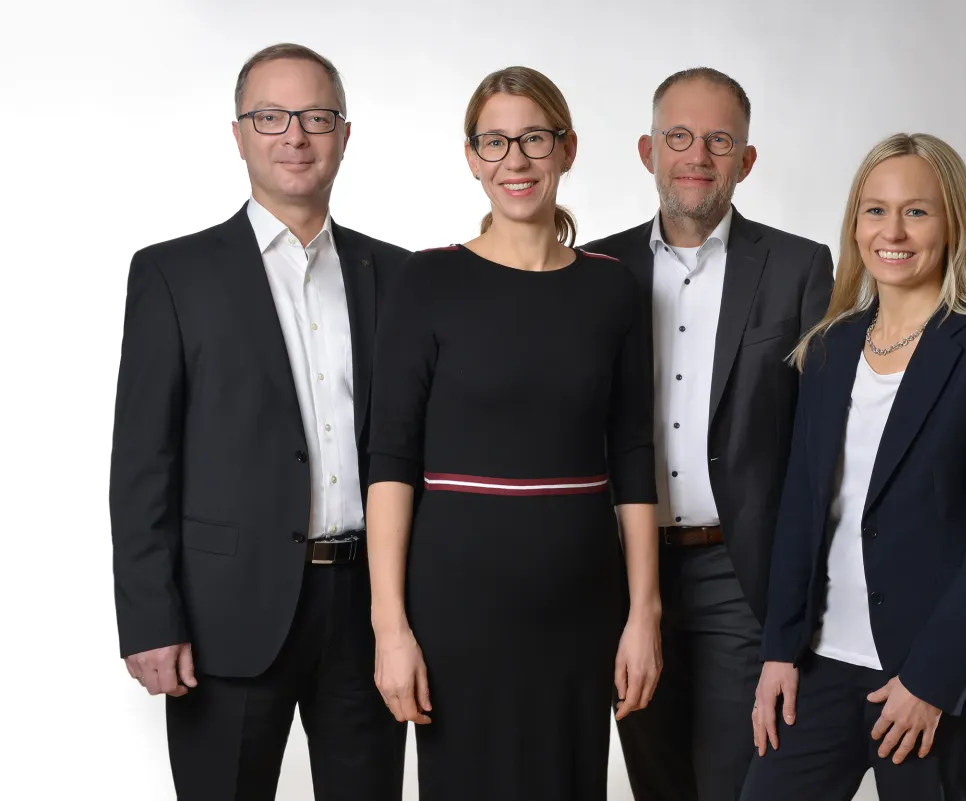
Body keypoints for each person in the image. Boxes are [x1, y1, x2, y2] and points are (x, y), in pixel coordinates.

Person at [108, 43, 410, 800]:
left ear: (345, 134)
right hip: (225, 616)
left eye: (316, 117)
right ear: (238, 134)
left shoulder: (400, 275)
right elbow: (143, 459)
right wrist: (149, 616)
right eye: (270, 117)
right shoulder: (173, 274)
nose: (295, 136)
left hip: (369, 612)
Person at [365, 65, 662, 801]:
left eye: (533, 137)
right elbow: (391, 461)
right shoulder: (426, 280)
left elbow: (632, 454)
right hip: (456, 604)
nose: (516, 160)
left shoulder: (611, 285)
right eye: (494, 142)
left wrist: (644, 612)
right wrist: (389, 626)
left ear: (567, 148)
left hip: (579, 601)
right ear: (471, 158)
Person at [742, 132, 966, 801]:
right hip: (819, 665)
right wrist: (778, 651)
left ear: (952, 223)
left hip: (923, 672)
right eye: (875, 209)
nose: (893, 231)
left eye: (917, 211)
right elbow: (801, 508)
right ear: (855, 225)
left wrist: (933, 682)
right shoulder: (827, 348)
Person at [581, 67, 834, 801]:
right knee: (656, 776)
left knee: (734, 779)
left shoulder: (798, 267)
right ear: (646, 150)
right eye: (679, 137)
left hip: (740, 568)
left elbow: (824, 441)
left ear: (746, 159)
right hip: (622, 571)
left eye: (719, 140)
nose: (697, 155)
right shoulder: (594, 269)